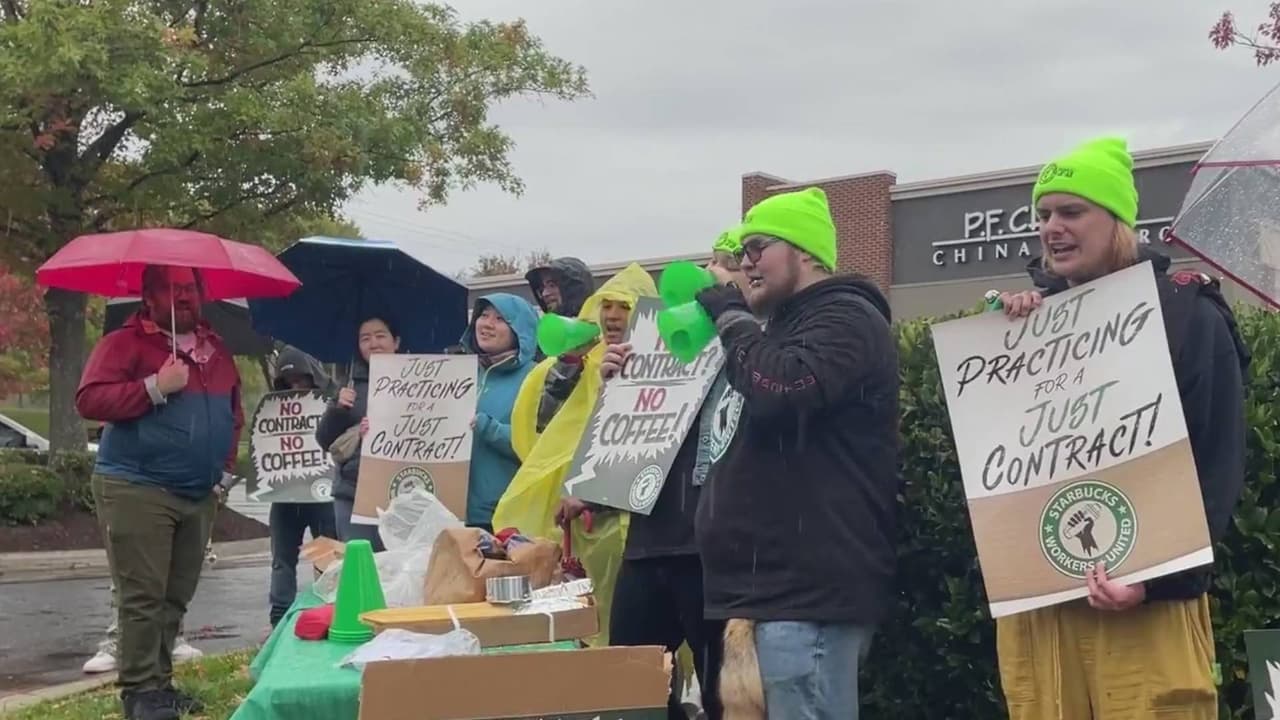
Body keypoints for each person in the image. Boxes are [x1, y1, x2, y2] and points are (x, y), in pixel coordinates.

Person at [992, 137, 1250, 720]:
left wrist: (1157, 582)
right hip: (1040, 605)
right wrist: (1006, 343)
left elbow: (1218, 461)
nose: (1051, 227)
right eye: (1043, 214)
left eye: (1071, 211)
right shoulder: (1024, 324)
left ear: (1118, 221)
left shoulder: (1188, 316)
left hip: (1144, 607)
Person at [692, 188, 902, 719]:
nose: (745, 262)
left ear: (806, 252)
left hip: (808, 598)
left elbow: (781, 389)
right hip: (773, 597)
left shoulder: (846, 317)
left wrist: (731, 316)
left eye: (759, 246)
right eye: (740, 252)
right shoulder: (789, 327)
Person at [582, 229, 745, 720]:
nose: (713, 272)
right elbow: (621, 447)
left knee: (723, 692)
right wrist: (615, 385)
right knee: (630, 686)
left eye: (729, 263)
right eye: (711, 261)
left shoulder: (752, 342)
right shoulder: (657, 338)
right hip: (648, 541)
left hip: (710, 549)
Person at [76, 265, 244, 720]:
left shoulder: (216, 350)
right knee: (143, 596)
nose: (184, 297)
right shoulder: (123, 345)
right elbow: (89, 400)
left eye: (190, 288)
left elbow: (233, 415)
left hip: (198, 493)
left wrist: (223, 473)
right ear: (148, 296)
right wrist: (154, 387)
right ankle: (139, 693)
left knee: (174, 597)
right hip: (137, 486)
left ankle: (160, 685)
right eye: (172, 289)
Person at [492, 263, 658, 648]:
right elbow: (541, 431)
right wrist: (572, 369)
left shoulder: (672, 370)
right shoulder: (574, 364)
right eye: (607, 305)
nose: (613, 315)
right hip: (579, 521)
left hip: (641, 527)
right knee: (585, 617)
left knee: (639, 630)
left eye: (625, 306)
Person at [315, 315, 400, 552]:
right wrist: (338, 409)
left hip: (402, 495)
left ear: (397, 342)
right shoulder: (349, 386)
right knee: (361, 568)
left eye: (381, 335)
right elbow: (324, 440)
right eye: (365, 338)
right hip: (353, 493)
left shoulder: (420, 382)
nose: (373, 343)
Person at [267, 345, 338, 628]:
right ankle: (278, 620)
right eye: (288, 383)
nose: (295, 387)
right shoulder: (274, 408)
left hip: (323, 493)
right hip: (285, 495)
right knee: (282, 560)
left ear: (314, 377)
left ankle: (326, 613)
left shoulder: (333, 401)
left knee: (327, 559)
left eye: (301, 380)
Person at [457, 293, 539, 531]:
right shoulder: (460, 375)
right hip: (453, 513)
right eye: (483, 315)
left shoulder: (537, 377)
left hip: (505, 517)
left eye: (500, 319)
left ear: (520, 330)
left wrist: (487, 427)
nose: (487, 324)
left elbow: (539, 445)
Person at [525, 256, 595, 318]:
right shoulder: (548, 329)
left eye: (552, 285)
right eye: (542, 288)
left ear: (573, 289)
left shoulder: (602, 327)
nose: (544, 294)